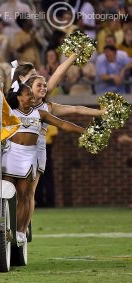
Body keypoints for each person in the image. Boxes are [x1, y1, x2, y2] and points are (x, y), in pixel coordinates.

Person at [3, 82, 84, 245]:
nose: (32, 97)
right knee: (7, 194)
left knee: (25, 195)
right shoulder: (9, 113)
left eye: (32, 95)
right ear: (19, 97)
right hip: (11, 153)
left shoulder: (41, 114)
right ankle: (4, 229)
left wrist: (84, 131)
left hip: (29, 155)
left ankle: (20, 231)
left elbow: (62, 124)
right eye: (28, 95)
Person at [25, 74, 105, 217]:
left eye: (45, 85)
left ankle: (22, 229)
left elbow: (76, 110)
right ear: (29, 88)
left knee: (30, 191)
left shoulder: (47, 108)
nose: (43, 88)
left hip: (37, 150)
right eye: (39, 85)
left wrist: (100, 112)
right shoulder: (17, 103)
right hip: (16, 149)